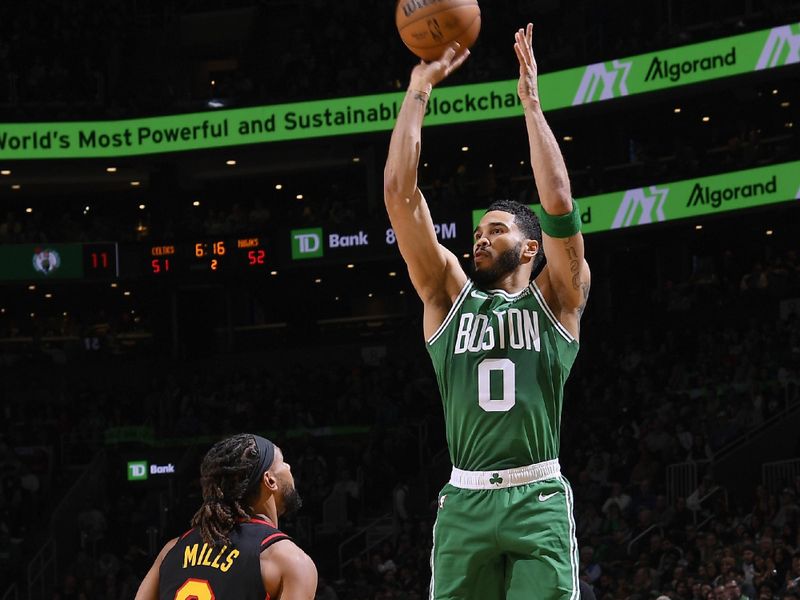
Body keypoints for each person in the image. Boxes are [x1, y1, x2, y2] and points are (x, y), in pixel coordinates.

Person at [383, 23, 590, 600]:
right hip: (464, 498)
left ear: (530, 248)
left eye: (494, 230)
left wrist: (531, 105)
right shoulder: (447, 295)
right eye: (476, 230)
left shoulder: (557, 300)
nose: (479, 238)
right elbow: (400, 199)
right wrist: (417, 90)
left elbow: (559, 205)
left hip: (537, 497)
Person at [134, 434, 317, 600]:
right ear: (270, 481)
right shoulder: (288, 560)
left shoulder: (171, 550)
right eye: (283, 461)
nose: (289, 466)